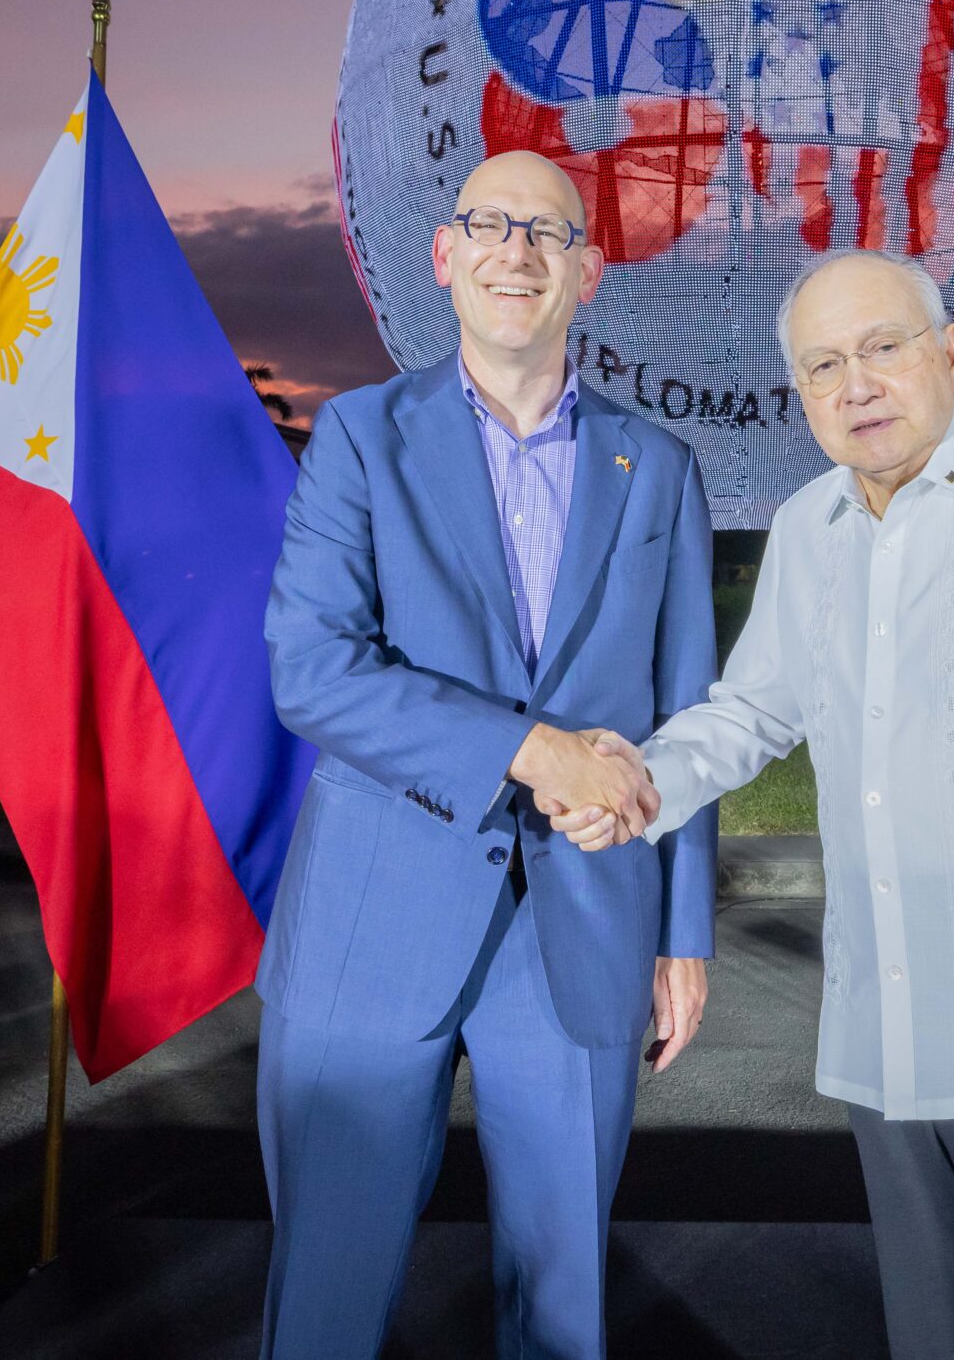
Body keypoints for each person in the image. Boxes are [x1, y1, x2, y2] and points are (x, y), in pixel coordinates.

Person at [561, 249, 954, 1359]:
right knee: (932, 1335)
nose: (854, 383)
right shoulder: (811, 527)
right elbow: (753, 710)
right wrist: (641, 784)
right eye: (821, 365)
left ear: (949, 350)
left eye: (880, 347)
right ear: (799, 394)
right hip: (891, 1041)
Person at [255, 149, 715, 1359]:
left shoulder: (658, 468)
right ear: (446, 257)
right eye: (490, 225)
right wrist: (530, 750)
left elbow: (686, 714)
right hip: (374, 913)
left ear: (589, 273)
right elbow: (310, 669)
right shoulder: (359, 437)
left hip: (586, 919)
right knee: (326, 1291)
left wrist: (683, 926)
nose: (518, 248)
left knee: (562, 1302)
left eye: (549, 231)